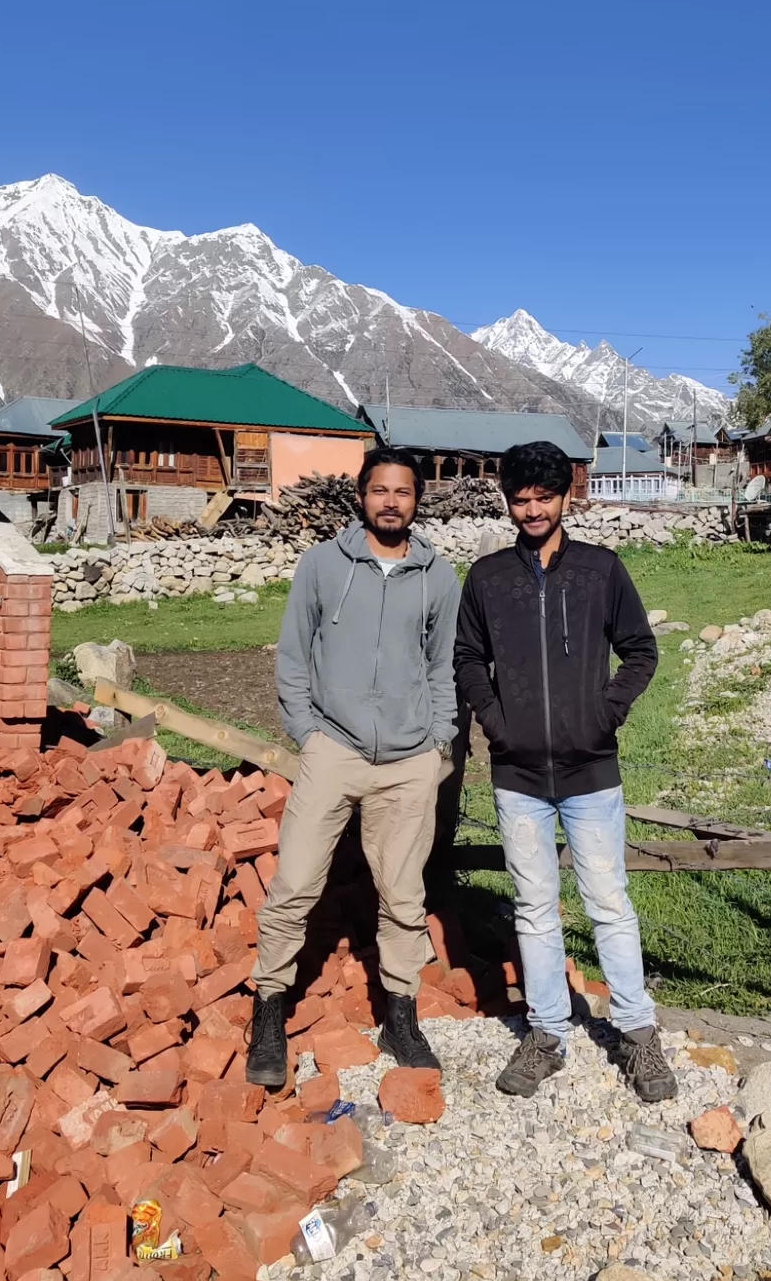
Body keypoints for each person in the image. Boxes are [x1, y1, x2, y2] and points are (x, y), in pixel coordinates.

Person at [453, 440, 677, 1103]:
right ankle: (545, 1034)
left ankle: (637, 1035)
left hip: (591, 771)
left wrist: (604, 713)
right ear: (507, 502)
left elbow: (639, 651)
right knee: (534, 907)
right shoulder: (488, 577)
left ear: (565, 496)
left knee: (609, 903)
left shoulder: (600, 571)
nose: (530, 510)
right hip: (518, 775)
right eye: (519, 500)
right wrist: (496, 720)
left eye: (542, 497)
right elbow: (467, 658)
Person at [246, 446, 459, 1089]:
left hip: (408, 760)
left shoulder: (438, 576)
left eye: (403, 492)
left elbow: (441, 667)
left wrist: (438, 743)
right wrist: (308, 734)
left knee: (403, 895)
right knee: (295, 885)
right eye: (379, 490)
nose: (391, 501)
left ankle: (399, 1012)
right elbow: (293, 654)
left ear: (417, 501)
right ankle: (269, 1010)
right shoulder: (321, 565)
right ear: (361, 496)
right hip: (332, 750)